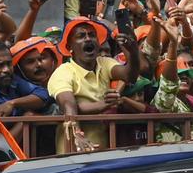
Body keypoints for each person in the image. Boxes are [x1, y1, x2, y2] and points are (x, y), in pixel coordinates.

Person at [46, 17, 142, 152]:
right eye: (81, 36)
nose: (88, 39)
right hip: (73, 154)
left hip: (101, 154)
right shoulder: (62, 72)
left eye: (92, 35)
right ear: (69, 47)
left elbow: (129, 76)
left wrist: (132, 51)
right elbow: (68, 104)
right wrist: (77, 133)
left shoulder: (104, 63)